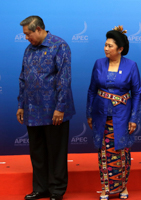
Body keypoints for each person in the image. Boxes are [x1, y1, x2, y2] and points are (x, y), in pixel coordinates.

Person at [16, 16, 75, 200]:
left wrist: (60, 107)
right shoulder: (28, 50)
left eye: (28, 34)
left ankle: (57, 190)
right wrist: (21, 105)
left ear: (39, 29)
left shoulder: (59, 46)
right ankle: (40, 188)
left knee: (56, 152)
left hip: (54, 111)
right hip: (32, 110)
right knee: (37, 152)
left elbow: (64, 79)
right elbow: (23, 78)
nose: (26, 37)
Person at [86, 25, 141, 200]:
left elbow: (137, 92)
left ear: (120, 49)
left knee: (121, 152)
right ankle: (106, 188)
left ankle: (123, 187)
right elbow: (91, 90)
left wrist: (134, 118)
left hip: (122, 116)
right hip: (101, 114)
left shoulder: (131, 65)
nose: (106, 48)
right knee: (104, 152)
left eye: (110, 46)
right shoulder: (98, 63)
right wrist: (89, 113)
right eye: (105, 45)